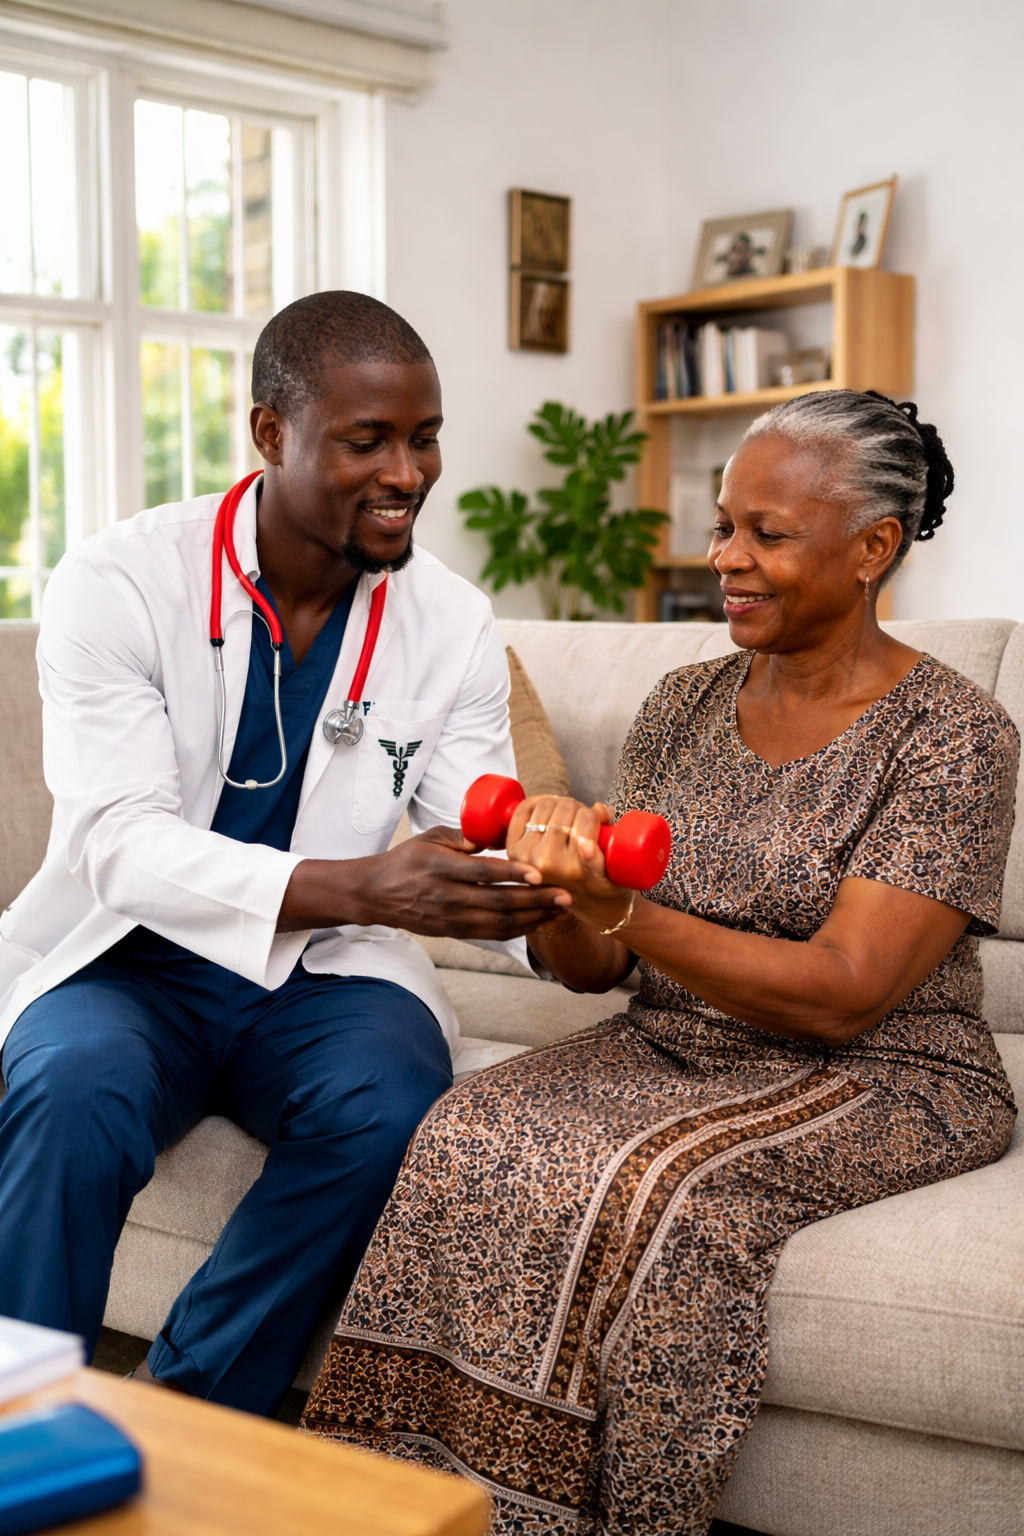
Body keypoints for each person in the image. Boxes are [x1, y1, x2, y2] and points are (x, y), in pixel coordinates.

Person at [302, 389, 1019, 1534]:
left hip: (887, 1071)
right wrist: (552, 886)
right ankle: (399, 1498)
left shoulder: (955, 736)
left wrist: (624, 915)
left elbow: (843, 996)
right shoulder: (682, 703)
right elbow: (590, 970)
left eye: (765, 535)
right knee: (463, 1130)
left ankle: (607, 1515)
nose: (723, 557)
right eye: (724, 523)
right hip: (672, 1040)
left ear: (872, 547)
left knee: (667, 1194)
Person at [0, 291, 569, 1417]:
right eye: (368, 441)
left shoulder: (448, 618)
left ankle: (195, 1412)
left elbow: (483, 808)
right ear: (271, 434)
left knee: (393, 1095)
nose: (407, 472)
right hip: (134, 958)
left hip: (323, 973)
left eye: (424, 436)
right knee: (68, 1085)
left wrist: (550, 869)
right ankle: (22, 1422)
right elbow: (117, 844)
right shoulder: (118, 585)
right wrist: (368, 883)